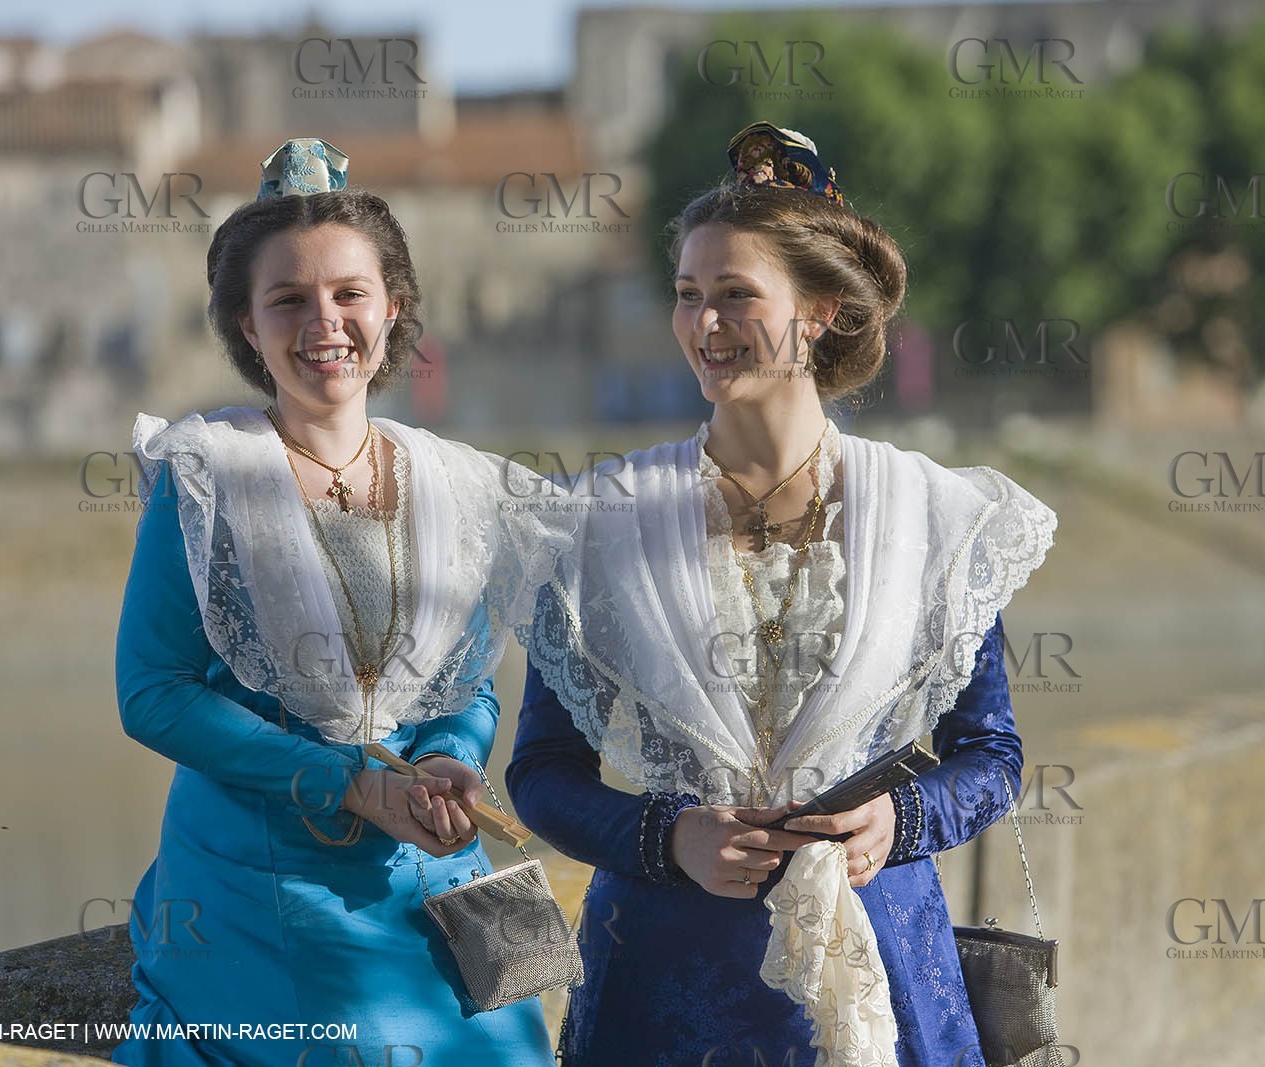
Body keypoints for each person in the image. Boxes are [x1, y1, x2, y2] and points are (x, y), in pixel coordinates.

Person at [509, 122, 1058, 1067]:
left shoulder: (936, 515)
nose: (704, 324)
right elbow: (542, 770)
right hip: (665, 978)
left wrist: (901, 819)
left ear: (821, 311)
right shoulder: (598, 521)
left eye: (735, 295)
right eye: (687, 295)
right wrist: (666, 833)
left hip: (884, 960)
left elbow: (992, 752)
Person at [111, 138, 563, 1067]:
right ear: (246, 324)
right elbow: (152, 690)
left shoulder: (453, 484)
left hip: (429, 857)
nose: (325, 320)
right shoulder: (203, 477)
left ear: (393, 309)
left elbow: (463, 686)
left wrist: (449, 758)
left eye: (350, 293)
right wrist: (347, 782)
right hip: (261, 871)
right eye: (288, 298)